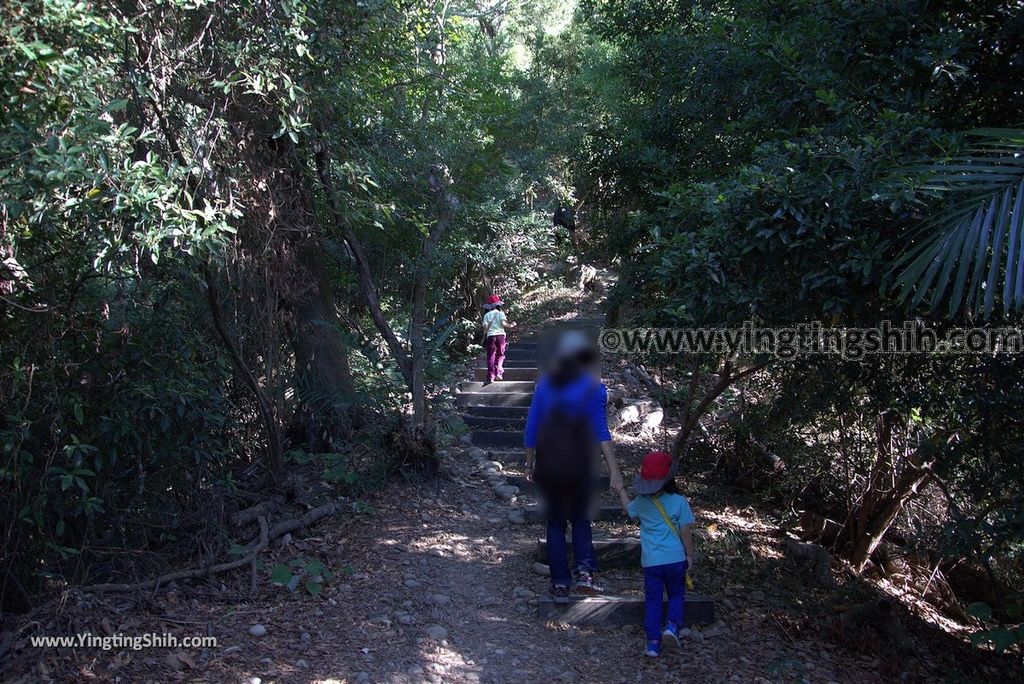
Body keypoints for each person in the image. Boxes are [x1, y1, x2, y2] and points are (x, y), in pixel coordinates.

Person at [524, 330, 624, 601]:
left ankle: (559, 584)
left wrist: (529, 462)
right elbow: (601, 431)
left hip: (549, 460)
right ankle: (584, 574)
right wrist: (614, 469)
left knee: (555, 523)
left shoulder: (545, 385)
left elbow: (532, 427)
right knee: (580, 520)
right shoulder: (594, 388)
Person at [614, 451, 696, 658]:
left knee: (653, 600)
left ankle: (652, 643)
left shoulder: (642, 502)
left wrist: (621, 490)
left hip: (651, 562)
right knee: (676, 594)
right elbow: (685, 532)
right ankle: (672, 626)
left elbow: (628, 511)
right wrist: (690, 555)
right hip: (676, 559)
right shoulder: (679, 501)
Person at [481, 295, 513, 383]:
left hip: (491, 336)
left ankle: (490, 377)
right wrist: (512, 325)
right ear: (498, 305)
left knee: (491, 356)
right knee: (500, 354)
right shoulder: (500, 313)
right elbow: (504, 324)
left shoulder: (486, 315)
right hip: (500, 336)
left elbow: (485, 329)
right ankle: (498, 373)